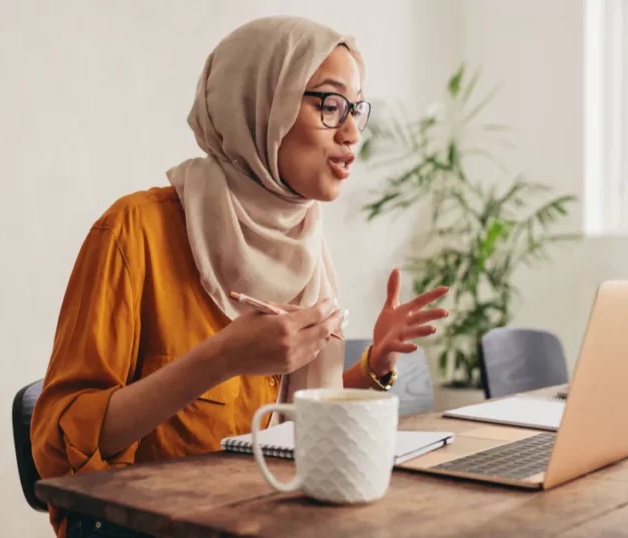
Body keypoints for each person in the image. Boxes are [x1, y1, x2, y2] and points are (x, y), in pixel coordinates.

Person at [30, 15, 450, 538]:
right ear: (259, 105)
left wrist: (375, 364)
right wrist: (221, 358)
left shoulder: (305, 246)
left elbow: (287, 426)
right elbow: (55, 447)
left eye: (356, 108)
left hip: (272, 519)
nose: (351, 133)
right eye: (329, 104)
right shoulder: (133, 232)